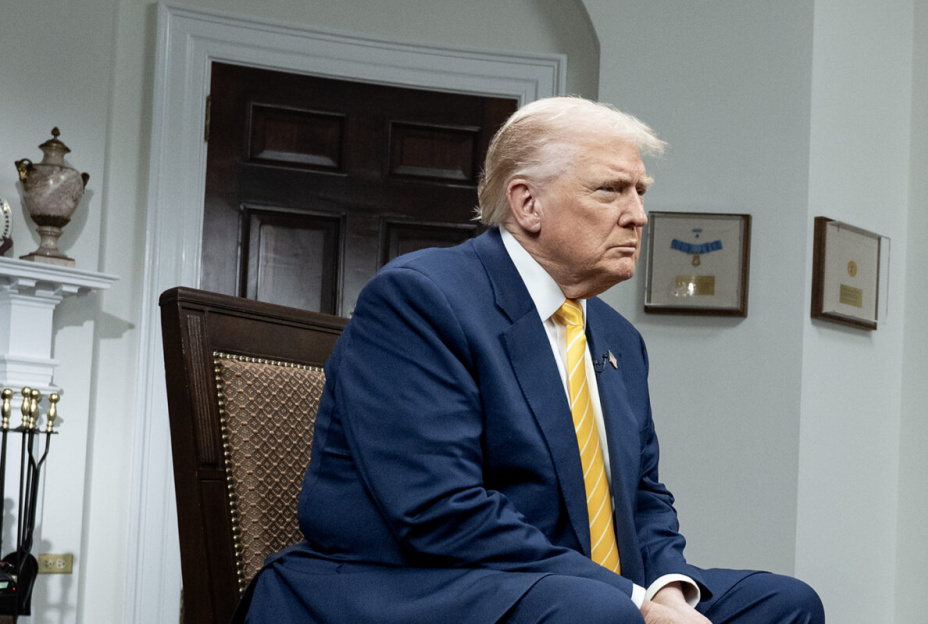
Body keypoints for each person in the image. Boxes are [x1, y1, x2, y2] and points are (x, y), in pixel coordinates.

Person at [241, 97, 824, 624]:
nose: (638, 214)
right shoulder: (421, 298)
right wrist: (634, 603)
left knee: (784, 604)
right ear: (527, 203)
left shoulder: (617, 335)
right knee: (597, 614)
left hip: (574, 591)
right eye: (610, 190)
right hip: (416, 584)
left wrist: (668, 591)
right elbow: (439, 510)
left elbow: (644, 496)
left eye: (641, 191)